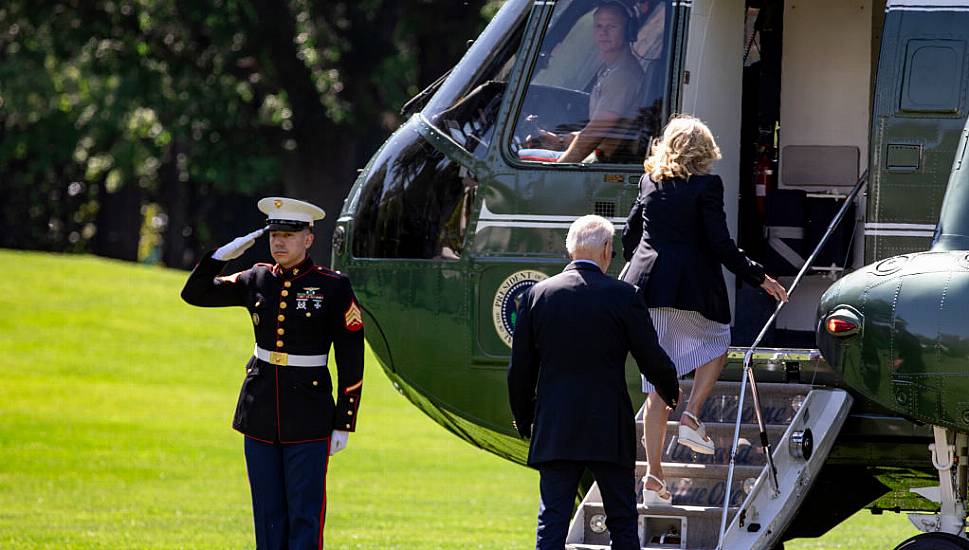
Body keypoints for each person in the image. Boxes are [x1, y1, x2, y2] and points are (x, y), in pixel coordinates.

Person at [620, 115, 788, 506]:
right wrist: (760, 276)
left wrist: (643, 267)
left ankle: (653, 478)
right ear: (703, 150)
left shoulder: (649, 182)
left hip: (648, 289)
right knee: (717, 343)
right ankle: (693, 415)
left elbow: (630, 235)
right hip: (691, 288)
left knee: (657, 385)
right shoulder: (708, 186)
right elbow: (720, 244)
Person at [181, 197, 364, 549]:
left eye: (289, 236)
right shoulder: (257, 278)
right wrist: (219, 257)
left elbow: (351, 356)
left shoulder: (333, 287)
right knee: (267, 516)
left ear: (308, 239)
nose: (279, 243)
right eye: (274, 235)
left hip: (309, 415)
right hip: (260, 410)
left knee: (304, 516)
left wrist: (345, 419)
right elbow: (195, 293)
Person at [507, 215, 680, 549]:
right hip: (608, 425)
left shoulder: (537, 295)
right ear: (605, 249)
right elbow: (650, 356)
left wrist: (524, 417)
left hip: (556, 424)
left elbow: (520, 370)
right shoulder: (623, 295)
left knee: (552, 521)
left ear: (570, 249)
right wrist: (670, 390)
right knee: (622, 521)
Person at [526, 1, 647, 164]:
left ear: (628, 31)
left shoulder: (623, 75)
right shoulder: (610, 69)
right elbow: (598, 131)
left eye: (611, 27)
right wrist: (559, 141)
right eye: (598, 26)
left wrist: (559, 168)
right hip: (600, 155)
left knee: (520, 157)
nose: (603, 32)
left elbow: (594, 135)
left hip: (603, 162)